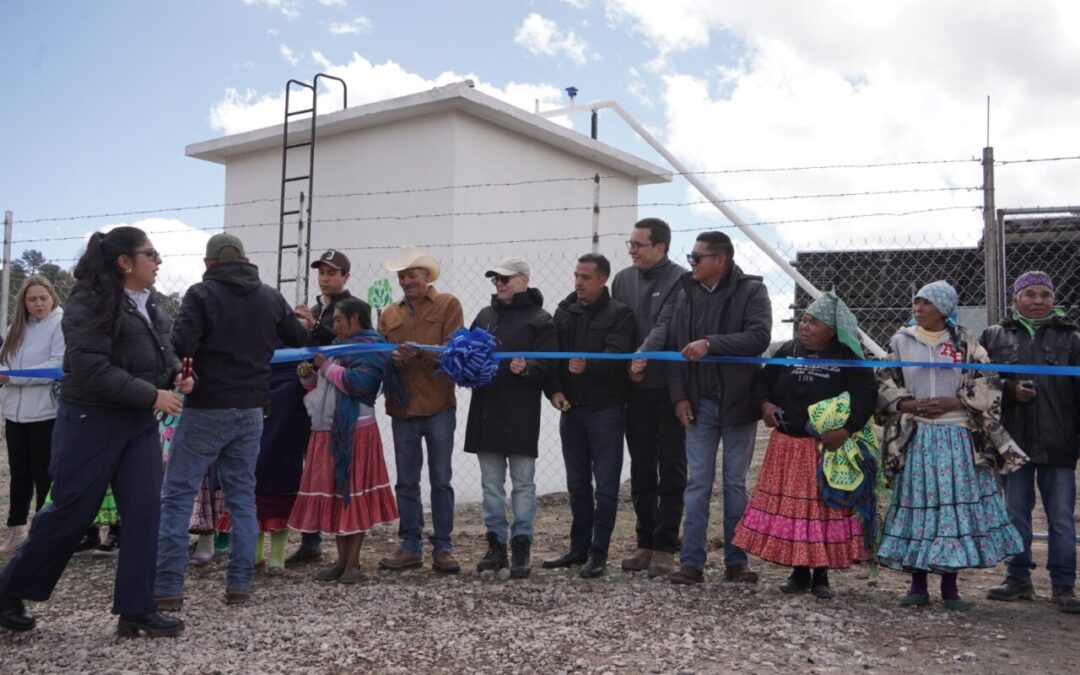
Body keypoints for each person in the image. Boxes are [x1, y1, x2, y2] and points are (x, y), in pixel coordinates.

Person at [0, 226, 191, 636]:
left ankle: (136, 611)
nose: (158, 261)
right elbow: (91, 368)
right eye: (150, 254)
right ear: (125, 262)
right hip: (91, 422)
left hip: (137, 422)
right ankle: (7, 592)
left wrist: (177, 375)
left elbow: (164, 349)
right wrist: (152, 395)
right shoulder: (88, 303)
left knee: (144, 512)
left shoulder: (150, 302)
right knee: (71, 512)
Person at [154, 233, 308, 610]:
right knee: (242, 498)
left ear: (208, 263)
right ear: (246, 258)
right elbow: (298, 336)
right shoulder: (270, 296)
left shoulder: (200, 294)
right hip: (252, 409)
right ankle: (239, 585)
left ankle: (168, 588)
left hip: (207, 406)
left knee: (176, 496)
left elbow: (183, 343)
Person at [876, 280, 1025, 610]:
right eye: (916, 303)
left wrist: (955, 401)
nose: (917, 309)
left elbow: (988, 386)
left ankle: (950, 587)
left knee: (950, 513)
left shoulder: (967, 344)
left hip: (956, 437)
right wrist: (906, 405)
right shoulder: (901, 341)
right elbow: (885, 381)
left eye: (925, 303)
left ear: (944, 308)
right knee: (918, 507)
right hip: (916, 437)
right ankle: (917, 585)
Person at [732, 292, 877, 599]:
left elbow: (866, 396)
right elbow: (762, 383)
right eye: (804, 319)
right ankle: (798, 572)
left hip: (826, 449)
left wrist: (847, 429)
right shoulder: (787, 350)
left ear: (833, 329)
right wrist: (765, 405)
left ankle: (821, 575)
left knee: (824, 510)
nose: (805, 326)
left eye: (814, 321)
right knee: (795, 510)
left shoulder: (848, 358)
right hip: (788, 446)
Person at [665, 231, 772, 585]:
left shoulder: (753, 291)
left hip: (738, 404)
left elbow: (759, 338)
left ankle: (736, 561)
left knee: (734, 484)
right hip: (698, 404)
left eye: (698, 257)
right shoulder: (686, 293)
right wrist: (679, 397)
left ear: (720, 261)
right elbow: (676, 348)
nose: (692, 262)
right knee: (697, 484)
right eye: (691, 256)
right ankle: (691, 563)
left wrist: (712, 344)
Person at [981, 271, 1080, 613]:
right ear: (1016, 298)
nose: (1038, 301)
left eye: (1045, 295)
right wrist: (1009, 391)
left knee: (1062, 517)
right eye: (1031, 295)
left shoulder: (1073, 339)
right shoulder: (994, 336)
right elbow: (979, 382)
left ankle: (1064, 585)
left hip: (1059, 443)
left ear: (1053, 300)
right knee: (1015, 513)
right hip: (1013, 442)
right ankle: (1018, 579)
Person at [288, 298, 402, 583]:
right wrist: (308, 375)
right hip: (328, 429)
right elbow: (323, 386)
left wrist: (326, 367)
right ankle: (341, 562)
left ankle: (353, 563)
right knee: (339, 493)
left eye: (339, 319)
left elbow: (360, 385)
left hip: (356, 431)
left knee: (352, 493)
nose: (334, 325)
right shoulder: (338, 348)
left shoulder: (372, 348)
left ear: (356, 320)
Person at [543, 254, 636, 578]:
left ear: (602, 280)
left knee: (606, 487)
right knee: (577, 485)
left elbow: (619, 355)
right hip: (571, 411)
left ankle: (599, 554)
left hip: (606, 411)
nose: (579, 282)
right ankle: (578, 548)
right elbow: (552, 357)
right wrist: (553, 390)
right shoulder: (564, 311)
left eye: (585, 277)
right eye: (576, 276)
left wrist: (590, 365)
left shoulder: (620, 314)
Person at [465, 257, 557, 579]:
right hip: (486, 410)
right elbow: (467, 357)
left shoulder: (541, 319)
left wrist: (528, 368)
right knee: (490, 485)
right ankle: (495, 547)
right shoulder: (484, 316)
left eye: (505, 278)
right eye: (496, 280)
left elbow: (549, 365)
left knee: (523, 484)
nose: (499, 284)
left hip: (520, 413)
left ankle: (521, 546)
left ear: (524, 280)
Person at [377, 246, 464, 574]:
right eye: (401, 275)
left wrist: (418, 354)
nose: (405, 280)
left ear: (427, 277)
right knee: (406, 481)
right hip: (403, 408)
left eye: (411, 274)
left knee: (441, 479)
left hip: (440, 405)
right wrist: (391, 358)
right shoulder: (389, 313)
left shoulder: (449, 304)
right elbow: (381, 352)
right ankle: (410, 545)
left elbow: (455, 352)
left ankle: (443, 546)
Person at [612, 218, 688, 578]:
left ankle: (666, 546)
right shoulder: (623, 280)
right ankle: (644, 542)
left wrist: (640, 356)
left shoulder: (680, 279)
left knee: (671, 468)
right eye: (630, 244)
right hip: (633, 390)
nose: (632, 251)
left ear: (661, 247)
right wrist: (627, 364)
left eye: (638, 245)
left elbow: (666, 325)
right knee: (641, 468)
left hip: (669, 389)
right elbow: (617, 324)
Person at [288, 249, 354, 566]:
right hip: (314, 401)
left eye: (332, 272)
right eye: (322, 272)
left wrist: (313, 327)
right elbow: (309, 354)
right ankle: (311, 541)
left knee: (342, 473)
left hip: (341, 406)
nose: (325, 277)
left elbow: (349, 347)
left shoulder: (354, 310)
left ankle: (346, 548)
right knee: (312, 472)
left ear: (346, 277)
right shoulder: (316, 308)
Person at [0, 276, 64, 558]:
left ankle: (43, 533)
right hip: (15, 412)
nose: (38, 304)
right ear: (23, 303)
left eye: (43, 298)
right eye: (32, 299)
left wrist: (12, 378)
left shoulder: (61, 324)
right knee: (19, 473)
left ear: (52, 297)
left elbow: (57, 365)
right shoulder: (16, 328)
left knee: (43, 474)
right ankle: (16, 529)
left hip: (45, 412)